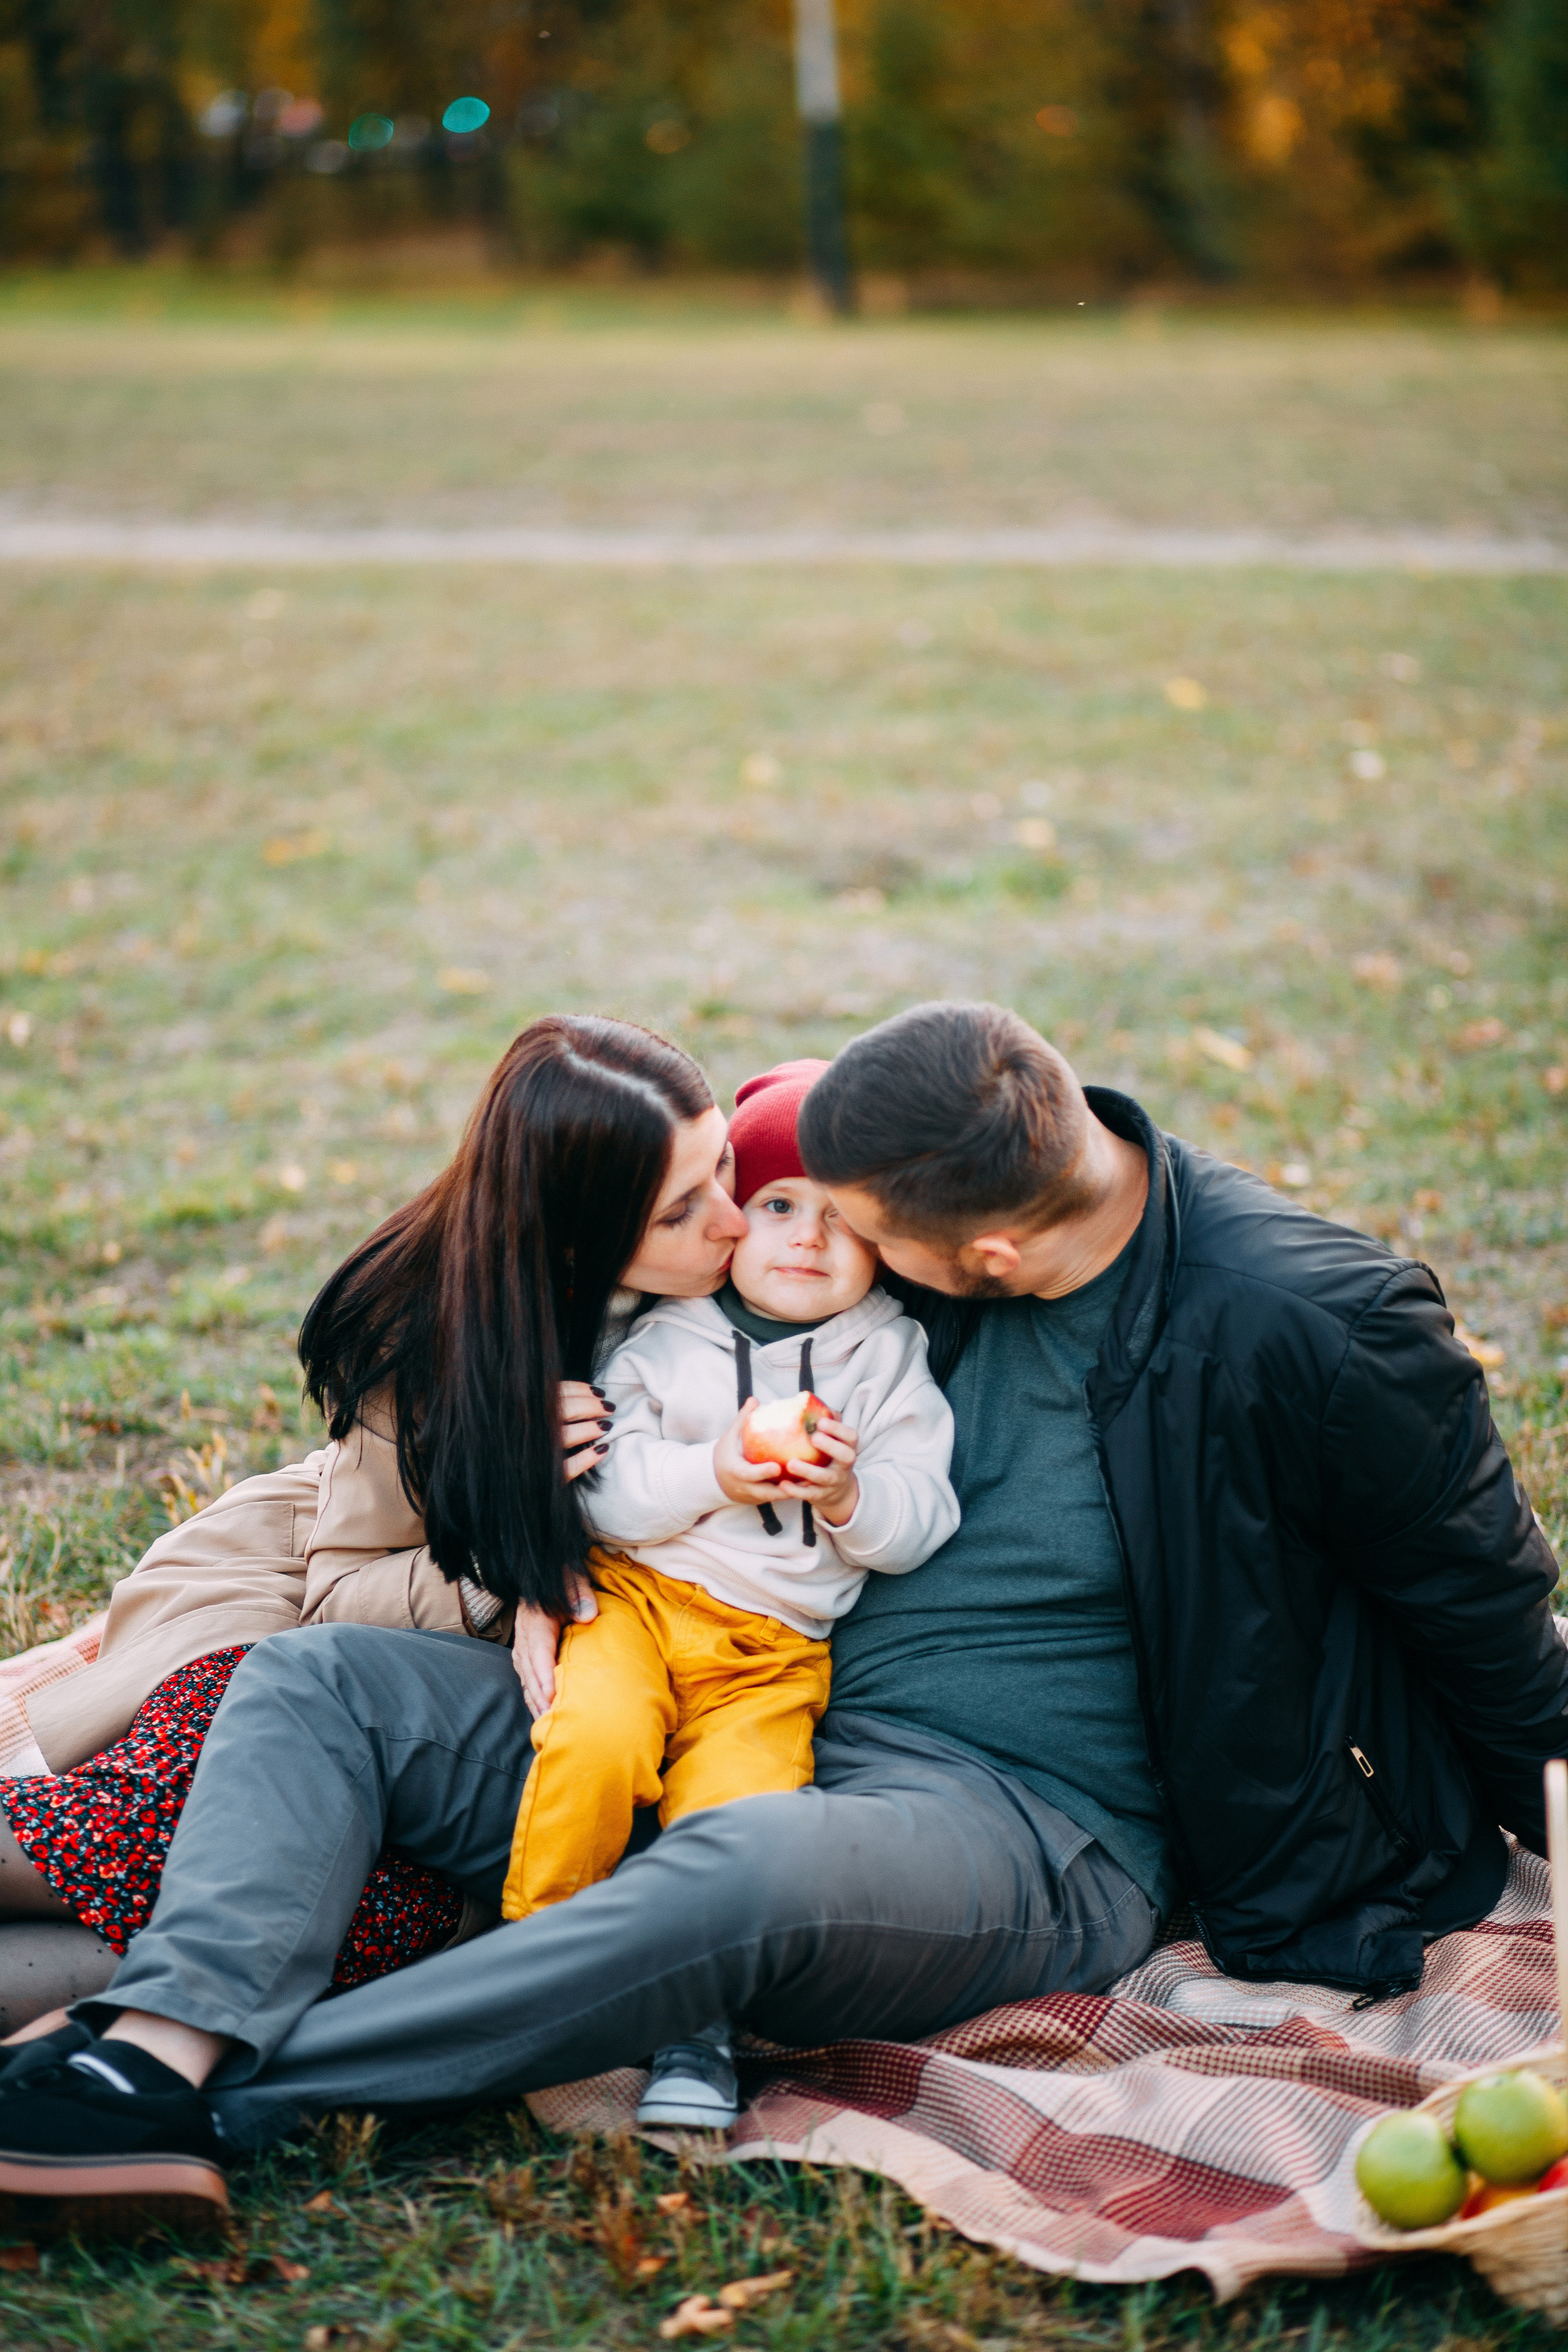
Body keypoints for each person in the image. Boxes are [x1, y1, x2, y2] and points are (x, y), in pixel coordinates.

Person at [0, 1000, 1561, 2237]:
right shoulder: (935, 1184)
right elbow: (602, 1243)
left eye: (854, 1230)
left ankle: (216, 2100)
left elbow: (1484, 1616)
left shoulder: (1312, 1326)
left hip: (1024, 1823)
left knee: (739, 1865)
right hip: (745, 1691)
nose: (804, 1245)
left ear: (980, 1252)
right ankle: (153, 2048)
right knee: (319, 1682)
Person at [0, 1012, 745, 2035]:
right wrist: (511, 1525)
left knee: (345, 1903)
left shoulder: (776, 1255)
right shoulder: (435, 1320)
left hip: (513, 1727)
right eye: (679, 1212)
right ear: (575, 1242)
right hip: (332, 1630)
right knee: (193, 1821)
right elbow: (341, 1594)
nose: (732, 1220)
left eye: (725, 1165)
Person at [513, 1059, 959, 2128]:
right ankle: (536, 1970)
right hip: (637, 1605)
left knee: (741, 1821)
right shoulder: (666, 1337)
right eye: (779, 1205)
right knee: (594, 1745)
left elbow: (922, 1519)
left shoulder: (888, 1358)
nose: (808, 1238)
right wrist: (714, 1470)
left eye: (844, 1218)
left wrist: (849, 1495)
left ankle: (695, 2030)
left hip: (772, 1650)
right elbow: (606, 1494)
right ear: (731, 1218)